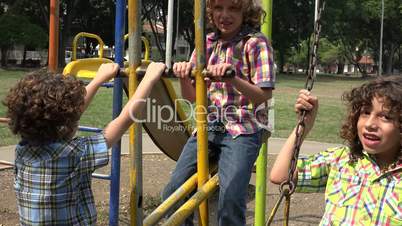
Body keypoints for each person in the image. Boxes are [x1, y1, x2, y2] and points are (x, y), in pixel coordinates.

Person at [3, 62, 166, 225]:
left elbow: (68, 115)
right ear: (65, 124)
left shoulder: (23, 151)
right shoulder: (74, 155)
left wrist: (98, 79)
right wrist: (150, 78)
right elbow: (127, 118)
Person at [162, 0, 275, 225]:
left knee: (231, 197)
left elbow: (263, 95)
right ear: (210, 11)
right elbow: (193, 97)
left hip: (243, 128)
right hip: (209, 126)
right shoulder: (204, 43)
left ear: (246, 12)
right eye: (218, 8)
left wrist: (232, 78)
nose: (225, 15)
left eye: (233, 9)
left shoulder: (255, 43)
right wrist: (185, 76)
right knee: (172, 193)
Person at [270, 76, 402, 225]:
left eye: (385, 117)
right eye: (365, 112)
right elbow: (280, 175)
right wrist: (304, 126)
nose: (370, 124)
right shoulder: (341, 160)